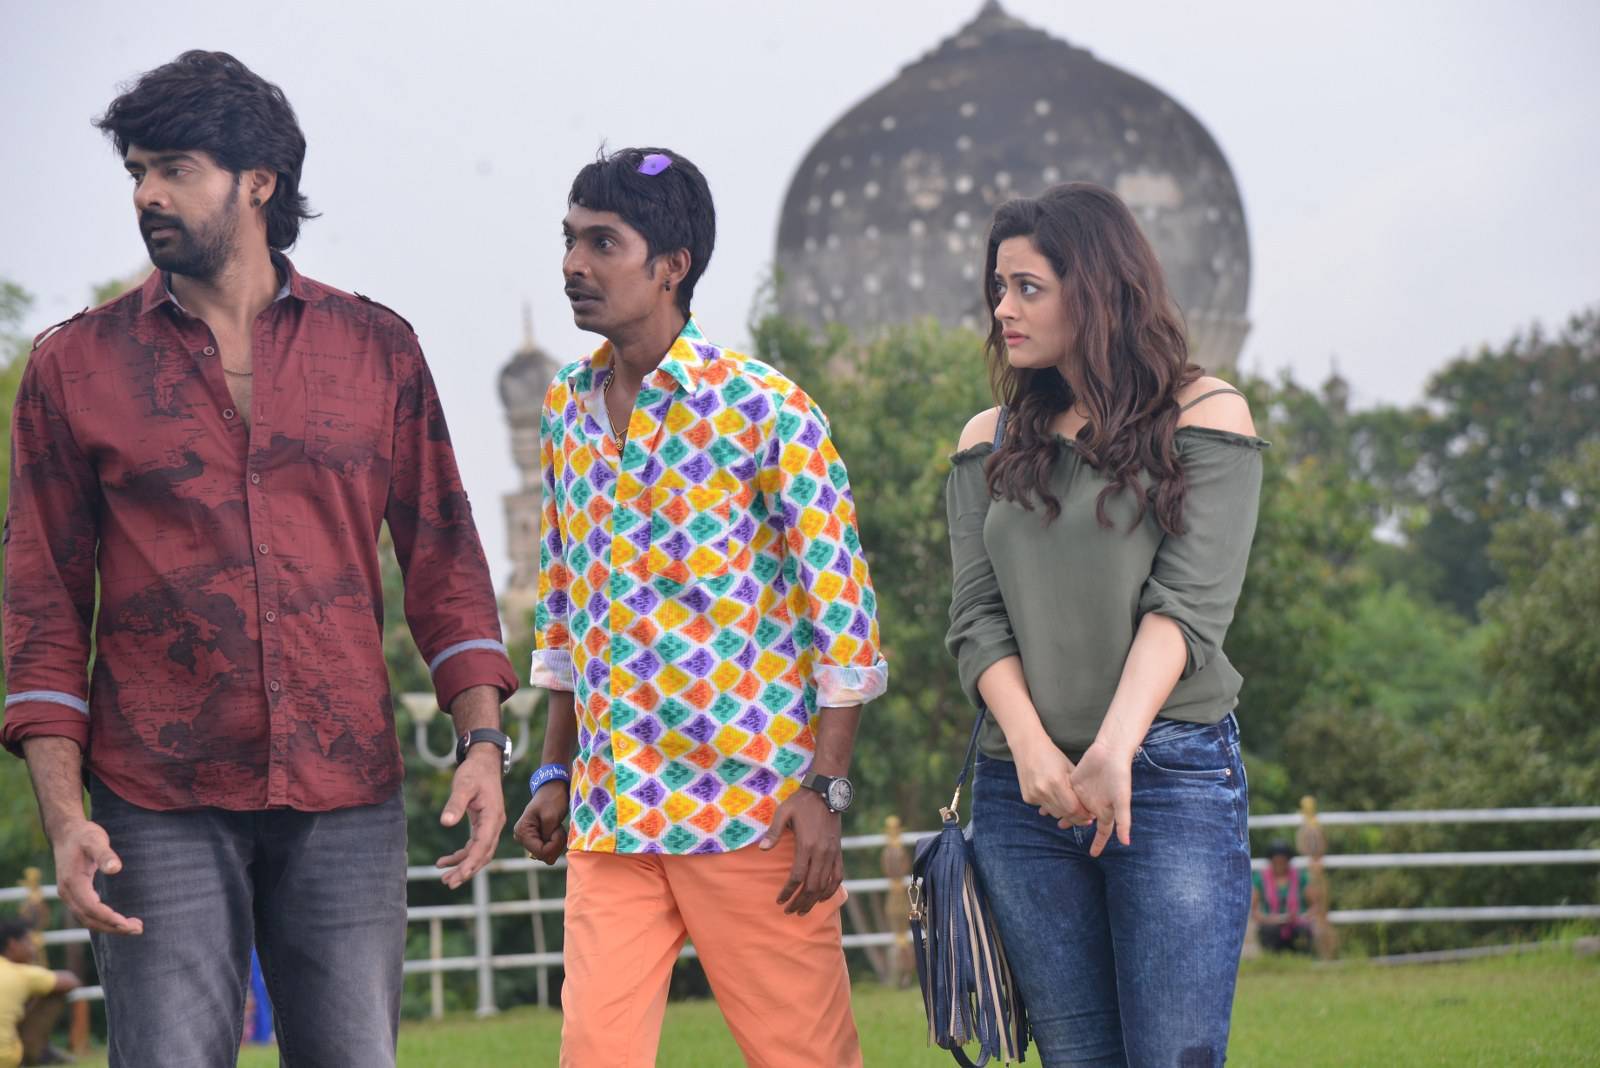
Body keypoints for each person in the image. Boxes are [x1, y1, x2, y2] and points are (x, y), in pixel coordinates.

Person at [1, 51, 518, 1066]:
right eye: (137, 171)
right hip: (156, 801)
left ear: (259, 182)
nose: (147, 194)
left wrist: (484, 744)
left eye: (175, 169)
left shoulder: (375, 350)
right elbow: (41, 608)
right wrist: (64, 817)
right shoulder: (74, 367)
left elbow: (447, 564)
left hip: (347, 793)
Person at [512, 147, 888, 1068]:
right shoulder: (566, 410)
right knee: (593, 1055)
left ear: (671, 266)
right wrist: (553, 770)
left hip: (753, 812)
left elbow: (843, 620)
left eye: (603, 243)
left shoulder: (765, 409)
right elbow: (563, 610)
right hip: (613, 818)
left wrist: (826, 792)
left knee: (806, 1059)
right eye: (569, 240)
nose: (574, 265)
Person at [946, 182, 1266, 1065]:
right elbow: (976, 617)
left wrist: (1114, 749)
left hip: (1167, 774)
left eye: (1029, 288)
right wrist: (1033, 752)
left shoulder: (1206, 415)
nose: (1003, 309)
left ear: (1095, 290)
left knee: (1172, 1054)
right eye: (999, 287)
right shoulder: (988, 437)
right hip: (1026, 791)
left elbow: (1188, 605)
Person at [0, 920, 79, 1068]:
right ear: (13, 944)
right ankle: (34, 1052)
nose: (33, 949)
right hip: (6, 1061)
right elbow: (71, 981)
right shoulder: (20, 973)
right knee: (53, 992)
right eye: (28, 942)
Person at [1252, 841, 1313, 953]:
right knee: (1270, 931)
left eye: (1282, 861)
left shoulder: (1300, 876)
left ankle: (1301, 956)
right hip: (1270, 924)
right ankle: (1273, 957)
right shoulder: (1260, 878)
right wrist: (1270, 919)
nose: (1279, 864)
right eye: (1276, 861)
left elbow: (1314, 905)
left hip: (1296, 923)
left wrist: (1302, 918)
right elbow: (1254, 909)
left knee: (1302, 931)